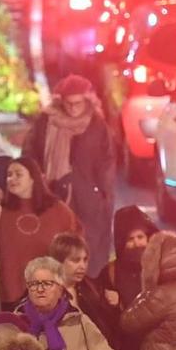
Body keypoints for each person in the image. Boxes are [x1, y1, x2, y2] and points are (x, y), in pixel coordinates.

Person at [22, 76, 119, 270]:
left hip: (89, 203)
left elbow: (107, 161)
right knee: (55, 253)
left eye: (78, 103)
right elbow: (31, 154)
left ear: (87, 101)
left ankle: (90, 296)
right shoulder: (46, 121)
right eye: (68, 103)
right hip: (53, 196)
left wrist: (103, 195)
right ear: (61, 101)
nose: (73, 108)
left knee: (90, 255)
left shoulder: (96, 124)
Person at [0, 159, 80, 311]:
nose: (11, 179)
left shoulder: (58, 210)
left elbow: (76, 241)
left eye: (18, 174)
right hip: (13, 289)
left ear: (33, 179)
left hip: (51, 289)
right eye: (9, 175)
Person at [17, 256, 119, 350]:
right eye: (34, 284)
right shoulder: (14, 325)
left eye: (47, 284)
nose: (40, 289)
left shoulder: (79, 322)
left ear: (60, 289)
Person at [51, 231, 120, 346]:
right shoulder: (43, 294)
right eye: (75, 260)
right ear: (58, 262)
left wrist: (115, 305)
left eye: (85, 260)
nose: (82, 266)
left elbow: (110, 329)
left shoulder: (93, 289)